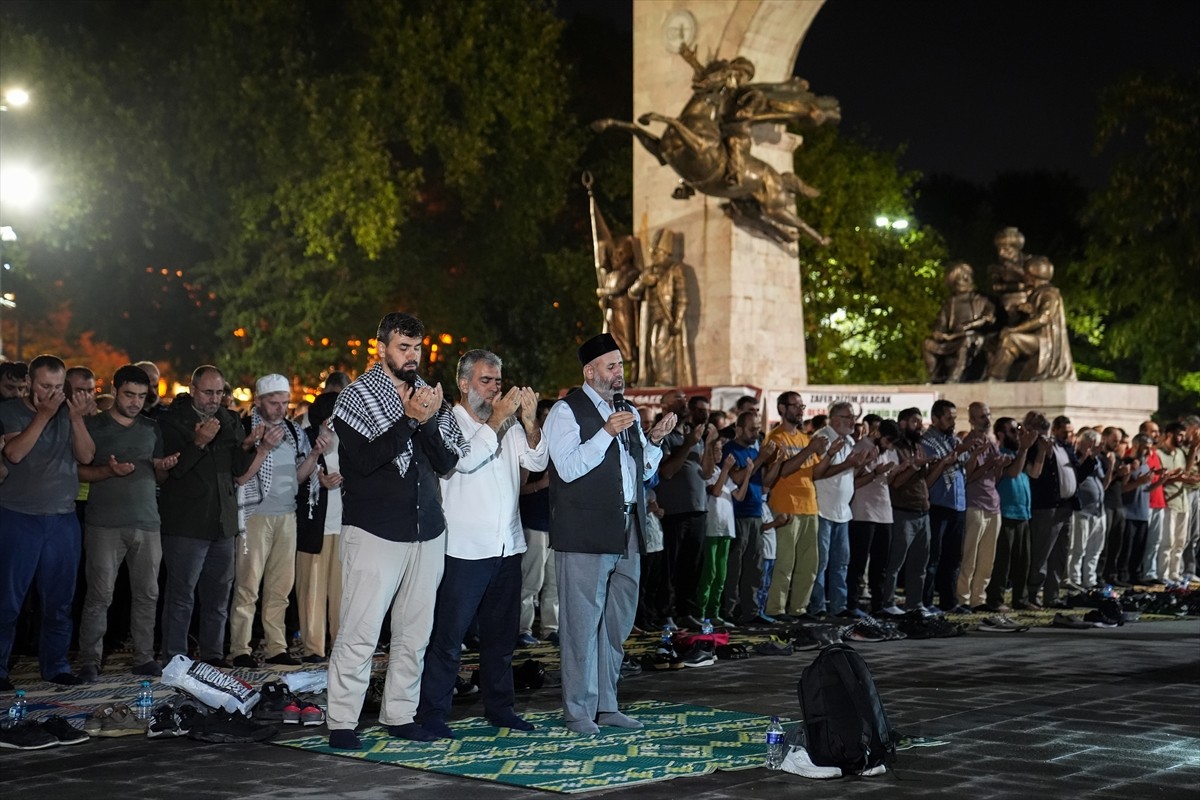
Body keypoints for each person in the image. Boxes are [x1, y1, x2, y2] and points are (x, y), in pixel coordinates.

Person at [326, 312, 467, 750]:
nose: (411, 355)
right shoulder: (355, 397)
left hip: (427, 529)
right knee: (361, 631)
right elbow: (363, 462)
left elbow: (446, 463)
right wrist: (407, 420)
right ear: (381, 347)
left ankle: (400, 714)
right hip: (374, 530)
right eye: (403, 347)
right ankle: (342, 722)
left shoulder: (430, 397)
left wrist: (424, 421)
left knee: (414, 633)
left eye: (417, 348)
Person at [544, 332, 675, 736]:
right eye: (611, 366)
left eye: (621, 365)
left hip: (628, 528)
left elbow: (642, 472)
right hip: (586, 531)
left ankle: (607, 705)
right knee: (581, 626)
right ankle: (578, 713)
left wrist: (652, 441)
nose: (619, 373)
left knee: (616, 625)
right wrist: (603, 432)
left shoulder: (629, 411)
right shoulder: (567, 412)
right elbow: (566, 469)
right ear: (590, 371)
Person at [417, 349, 546, 738]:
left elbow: (537, 462)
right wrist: (500, 419)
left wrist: (529, 421)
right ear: (463, 383)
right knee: (448, 637)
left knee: (501, 639)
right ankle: (433, 712)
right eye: (485, 380)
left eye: (497, 381)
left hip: (506, 546)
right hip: (463, 550)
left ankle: (500, 708)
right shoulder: (446, 420)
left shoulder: (507, 425)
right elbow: (464, 461)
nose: (494, 388)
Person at [77, 365, 178, 682]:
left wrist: (163, 467)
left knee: (148, 594)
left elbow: (159, 474)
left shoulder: (151, 427)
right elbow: (79, 469)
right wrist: (109, 472)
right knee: (99, 596)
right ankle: (89, 660)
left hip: (148, 522)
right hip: (104, 523)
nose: (135, 401)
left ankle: (144, 657)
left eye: (141, 395)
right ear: (116, 390)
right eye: (129, 394)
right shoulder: (95, 426)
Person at [0, 354, 96, 690]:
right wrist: (43, 415)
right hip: (17, 516)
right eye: (44, 386)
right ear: (29, 383)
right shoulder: (11, 411)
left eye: (58, 387)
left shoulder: (67, 414)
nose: (51, 393)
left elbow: (86, 456)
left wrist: (76, 419)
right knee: (7, 602)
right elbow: (14, 454)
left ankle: (55, 665)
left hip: (62, 519)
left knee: (59, 602)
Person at [158, 365, 258, 666]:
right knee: (181, 595)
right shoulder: (171, 421)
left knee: (218, 597)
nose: (214, 398)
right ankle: (175, 656)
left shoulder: (229, 420)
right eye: (208, 392)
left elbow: (238, 471)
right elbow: (171, 473)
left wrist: (253, 447)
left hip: (222, 523)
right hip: (187, 523)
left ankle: (213, 655)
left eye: (219, 392)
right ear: (192, 390)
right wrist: (198, 443)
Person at [230, 373, 328, 668]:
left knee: (280, 588)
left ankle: (277, 647)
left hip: (286, 516)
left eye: (284, 403)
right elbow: (240, 476)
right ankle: (240, 649)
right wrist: (261, 450)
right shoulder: (244, 429)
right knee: (248, 587)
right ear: (258, 401)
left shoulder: (293, 431)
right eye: (274, 403)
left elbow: (299, 477)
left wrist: (314, 454)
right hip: (254, 516)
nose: (280, 409)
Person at [760, 392, 829, 623]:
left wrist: (831, 454)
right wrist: (809, 450)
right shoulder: (775, 438)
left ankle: (799, 608)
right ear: (782, 408)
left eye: (802, 406)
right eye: (795, 406)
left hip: (810, 506)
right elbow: (781, 471)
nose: (800, 410)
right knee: (784, 562)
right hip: (785, 506)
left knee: (809, 564)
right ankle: (775, 608)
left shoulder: (804, 438)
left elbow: (817, 472)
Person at [810, 401, 873, 618]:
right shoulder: (823, 438)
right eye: (849, 417)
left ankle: (839, 606)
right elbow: (817, 473)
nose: (853, 421)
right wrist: (848, 464)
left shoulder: (847, 440)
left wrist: (862, 465)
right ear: (834, 419)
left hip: (843, 511)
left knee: (841, 563)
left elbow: (847, 476)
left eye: (853, 417)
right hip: (823, 509)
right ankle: (817, 606)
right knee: (821, 563)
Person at [294, 392, 344, 663]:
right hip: (316, 528)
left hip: (344, 526)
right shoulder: (306, 439)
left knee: (341, 592)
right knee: (311, 590)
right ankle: (314, 647)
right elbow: (296, 479)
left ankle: (340, 643)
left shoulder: (350, 440)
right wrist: (319, 479)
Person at [518, 399, 558, 647]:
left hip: (556, 523)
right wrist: (540, 485)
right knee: (531, 580)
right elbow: (517, 488)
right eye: (546, 415)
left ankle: (550, 627)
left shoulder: (561, 444)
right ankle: (522, 628)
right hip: (534, 521)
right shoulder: (529, 444)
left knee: (554, 581)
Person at [923, 262, 996, 383]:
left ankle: (954, 378)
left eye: (966, 276)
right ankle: (935, 377)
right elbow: (941, 323)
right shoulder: (949, 304)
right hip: (951, 339)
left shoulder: (982, 301)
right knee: (927, 344)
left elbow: (988, 317)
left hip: (973, 337)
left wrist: (969, 325)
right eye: (960, 277)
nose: (965, 280)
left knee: (966, 342)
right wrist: (938, 332)